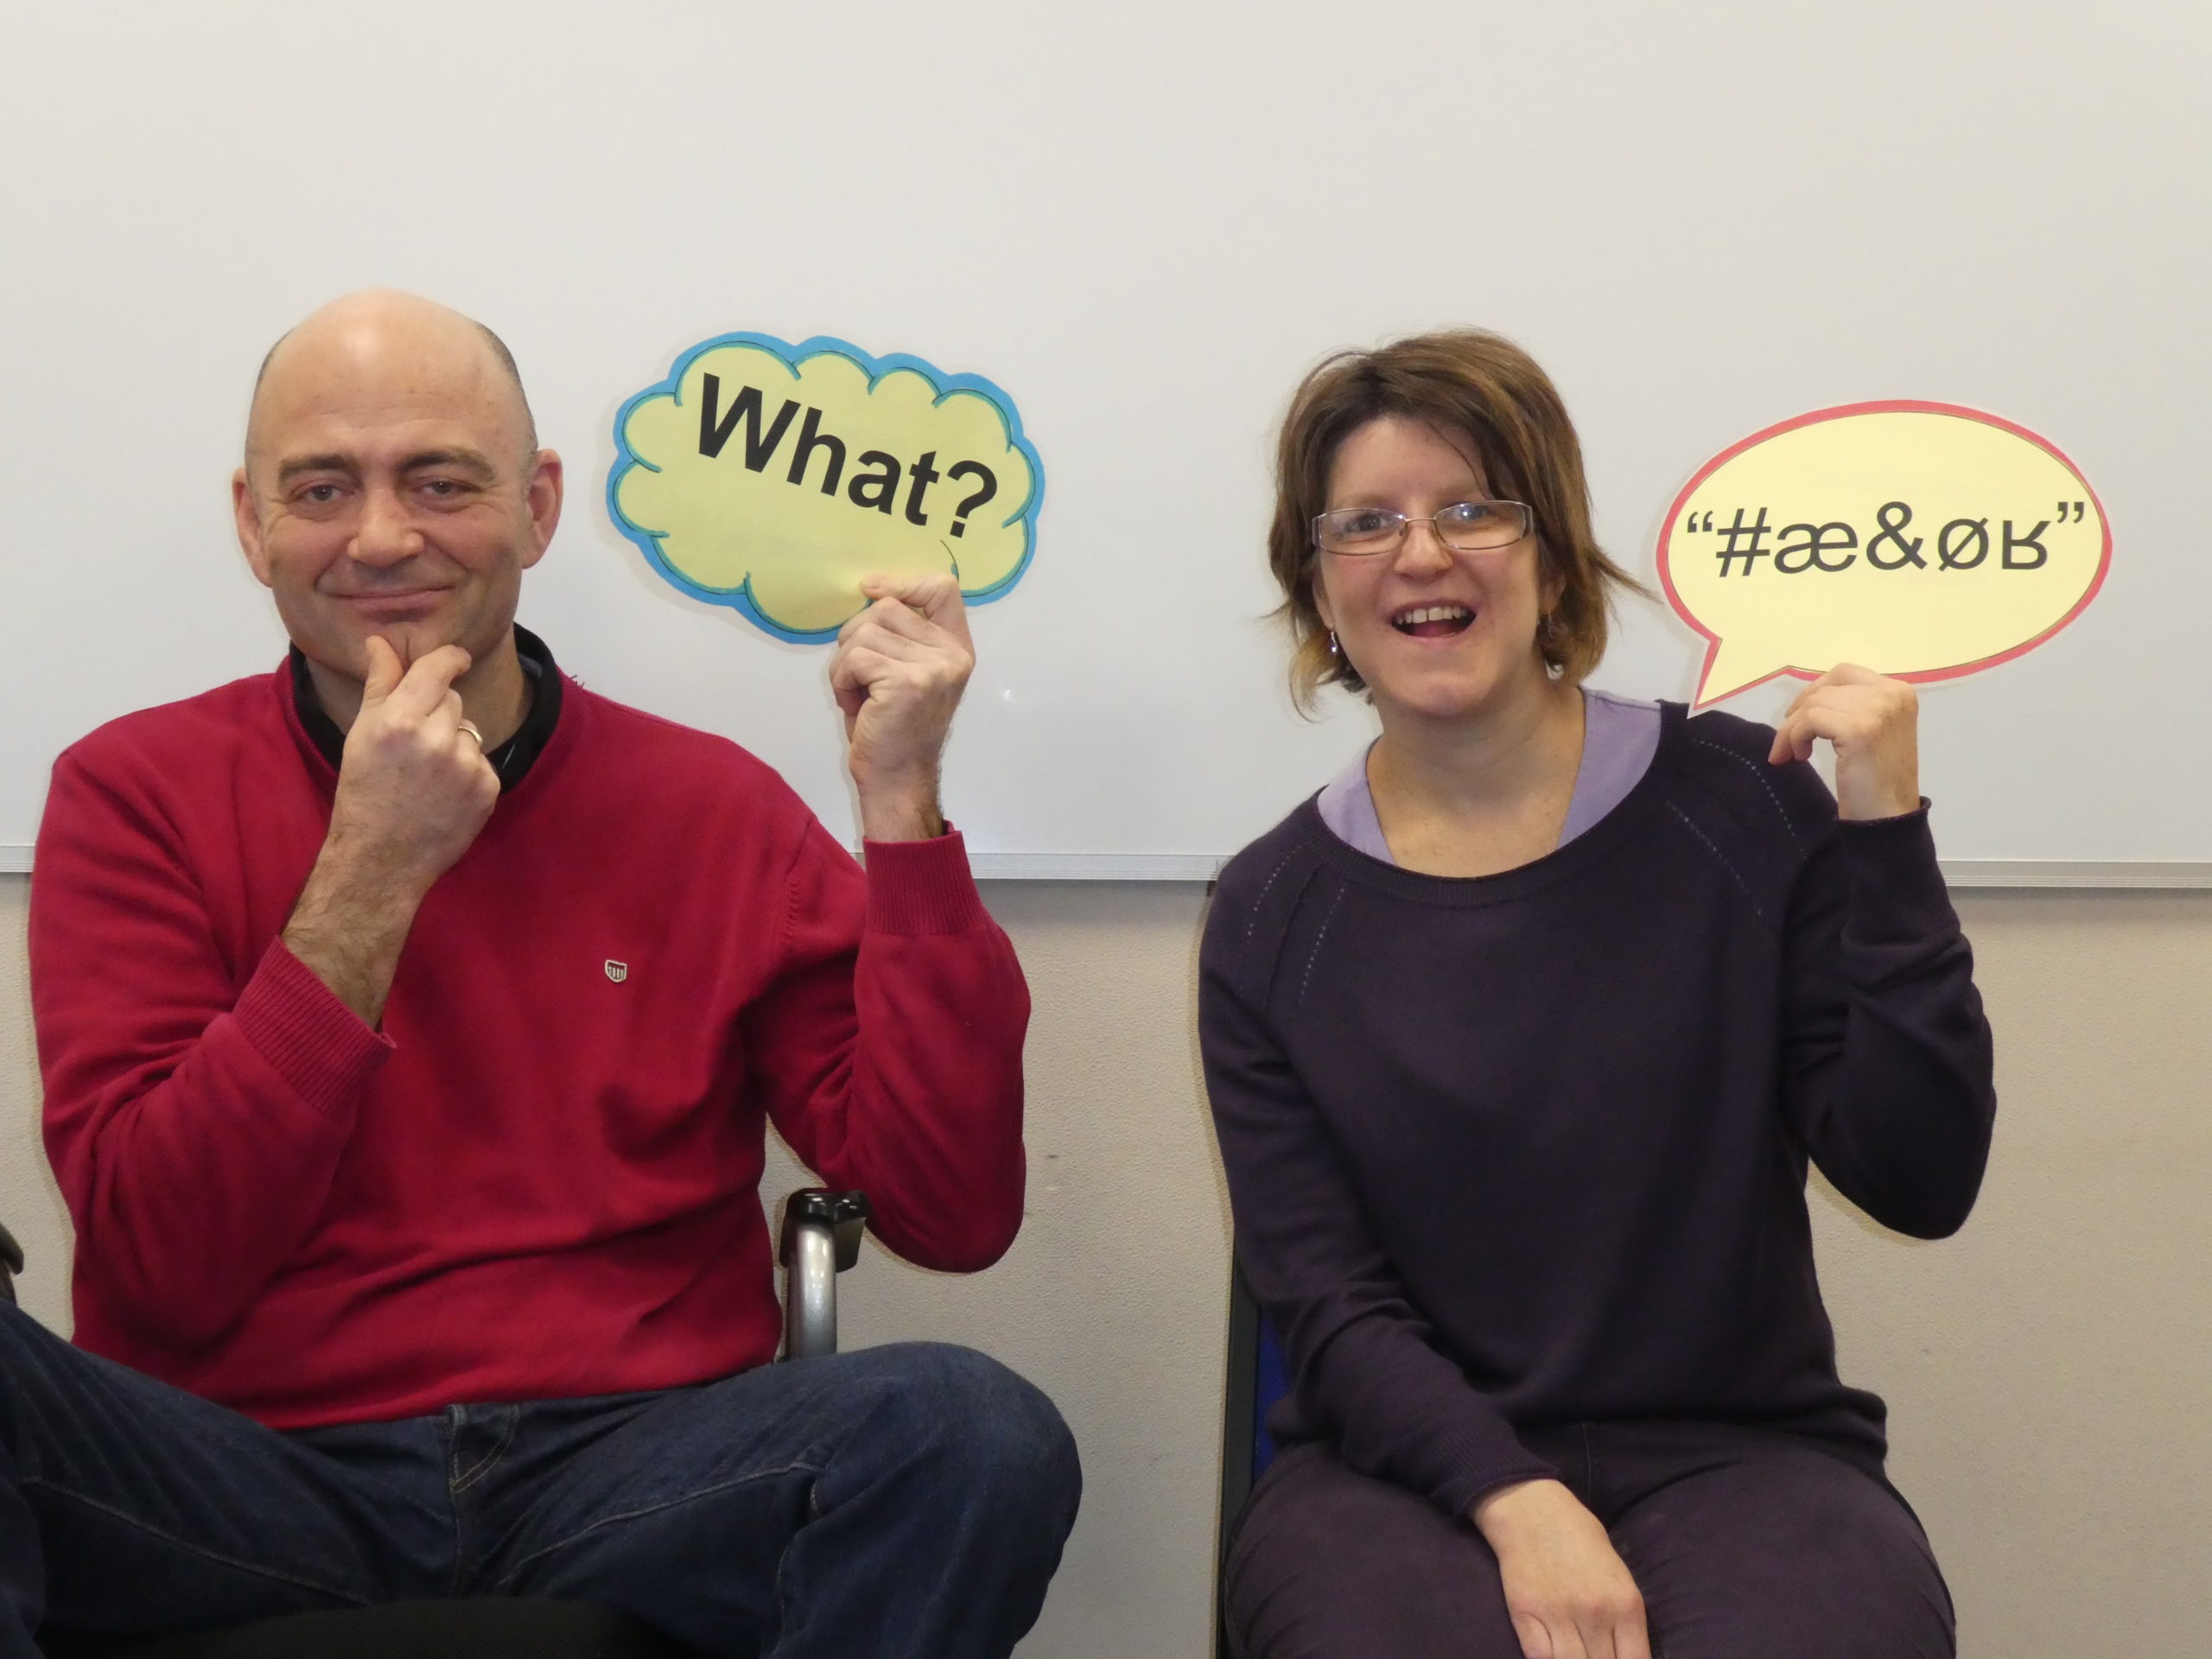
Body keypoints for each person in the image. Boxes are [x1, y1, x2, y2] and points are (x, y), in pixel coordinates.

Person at [5, 290, 1078, 1659]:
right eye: (323, 487)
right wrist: (370, 876)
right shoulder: (130, 793)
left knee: (972, 1432)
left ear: (538, 505)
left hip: (630, 1472)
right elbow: (162, 1266)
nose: (381, 535)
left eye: (440, 482)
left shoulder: (712, 809)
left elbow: (951, 1208)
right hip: (246, 1476)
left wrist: (904, 800)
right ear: (252, 522)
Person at [1204, 331, 1995, 1659]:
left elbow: (1923, 1180)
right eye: (1367, 523)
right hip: (1392, 1480)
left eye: (1474, 509)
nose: (1423, 554)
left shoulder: (1746, 807)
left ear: (1555, 555)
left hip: (1744, 1457)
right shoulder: (1273, 912)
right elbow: (1328, 1302)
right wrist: (1518, 1501)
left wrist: (1888, 838)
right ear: (1318, 586)